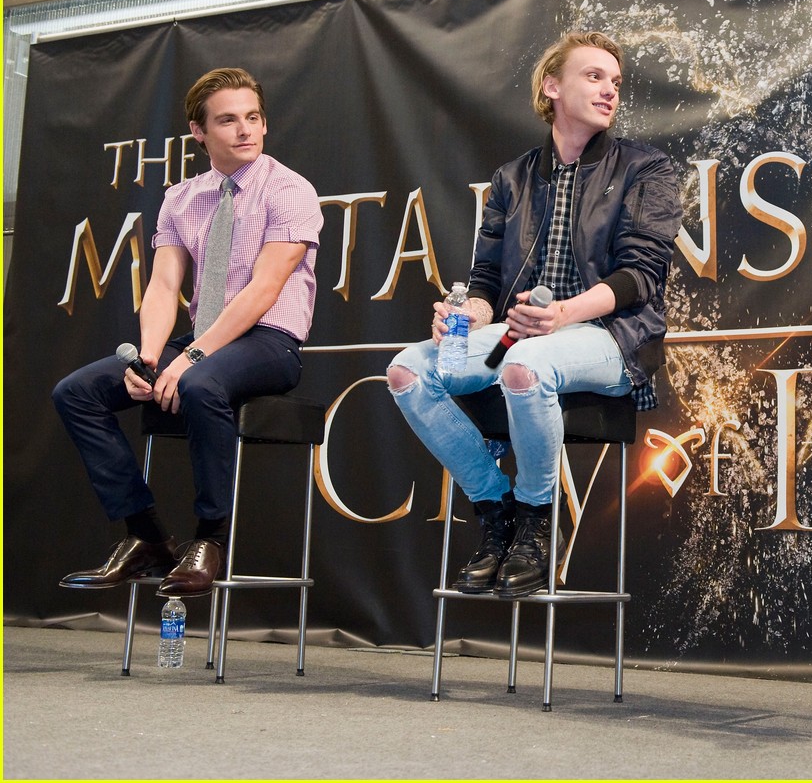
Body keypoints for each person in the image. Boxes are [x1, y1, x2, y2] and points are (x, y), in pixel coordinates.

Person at [388, 31, 680, 598]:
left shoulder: (648, 168)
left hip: (613, 337)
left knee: (525, 365)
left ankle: (537, 521)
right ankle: (494, 509)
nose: (609, 91)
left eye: (615, 82)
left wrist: (565, 313)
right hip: (520, 331)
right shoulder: (512, 178)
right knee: (407, 371)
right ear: (552, 86)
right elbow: (487, 281)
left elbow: (641, 275)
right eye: (593, 76)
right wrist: (467, 314)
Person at [53, 67, 323, 598]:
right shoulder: (181, 197)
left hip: (269, 342)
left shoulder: (291, 189)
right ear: (199, 133)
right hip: (202, 340)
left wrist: (193, 356)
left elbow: (264, 290)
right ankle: (147, 536)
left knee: (200, 384)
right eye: (228, 120)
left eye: (253, 118)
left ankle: (209, 539)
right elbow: (162, 285)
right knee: (76, 393)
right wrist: (150, 357)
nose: (245, 130)